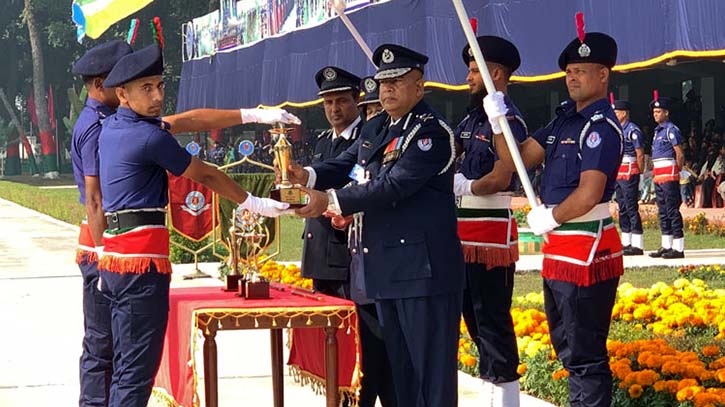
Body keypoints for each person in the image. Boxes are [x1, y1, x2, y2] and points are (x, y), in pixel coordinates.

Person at [70, 40, 298, 406]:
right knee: (133, 373)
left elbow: (192, 119)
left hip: (118, 258)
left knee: (121, 365)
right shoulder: (146, 136)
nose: (158, 95)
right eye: (146, 88)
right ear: (121, 94)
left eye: (160, 86)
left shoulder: (114, 126)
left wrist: (254, 115)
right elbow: (205, 175)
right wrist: (254, 202)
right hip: (139, 263)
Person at [287, 44, 464, 406]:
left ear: (419, 86)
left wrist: (332, 200)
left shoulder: (430, 133)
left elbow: (393, 185)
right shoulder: (378, 126)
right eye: (383, 82)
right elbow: (345, 164)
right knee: (402, 379)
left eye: (397, 81)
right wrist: (304, 174)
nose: (387, 90)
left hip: (422, 274)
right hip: (386, 271)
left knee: (431, 379)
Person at [492, 30, 623, 406]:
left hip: (586, 250)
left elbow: (589, 192)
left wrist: (551, 216)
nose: (573, 78)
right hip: (560, 252)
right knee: (568, 350)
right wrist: (499, 121)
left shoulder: (600, 127)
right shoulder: (563, 122)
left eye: (582, 70)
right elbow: (515, 159)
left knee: (585, 354)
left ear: (603, 76)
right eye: (569, 72)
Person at [451, 35, 526, 406]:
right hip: (463, 237)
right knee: (473, 319)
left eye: (473, 71)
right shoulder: (471, 118)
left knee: (492, 319)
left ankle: (506, 395)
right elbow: (452, 155)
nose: (468, 77)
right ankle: (490, 386)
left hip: (491, 236)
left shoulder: (506, 118)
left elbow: (503, 173)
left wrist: (466, 184)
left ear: (495, 73)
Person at [300, 66, 362, 298]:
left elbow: (361, 187)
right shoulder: (323, 141)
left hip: (346, 250)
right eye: (328, 102)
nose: (334, 109)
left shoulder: (366, 139)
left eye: (342, 101)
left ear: (357, 99)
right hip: (318, 249)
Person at [648, 96, 685, 258]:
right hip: (659, 175)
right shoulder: (657, 132)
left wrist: (678, 171)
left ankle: (678, 247)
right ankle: (666, 245)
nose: (655, 114)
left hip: (669, 175)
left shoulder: (671, 130)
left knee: (672, 210)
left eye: (658, 112)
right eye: (654, 112)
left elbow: (680, 153)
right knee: (662, 211)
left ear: (666, 113)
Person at [612, 100, 645, 255]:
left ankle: (637, 243)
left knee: (631, 207)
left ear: (624, 113)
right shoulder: (617, 129)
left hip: (630, 172)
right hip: (619, 173)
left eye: (616, 112)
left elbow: (639, 153)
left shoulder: (633, 130)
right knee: (622, 208)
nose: (614, 115)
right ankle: (626, 242)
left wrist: (640, 174)